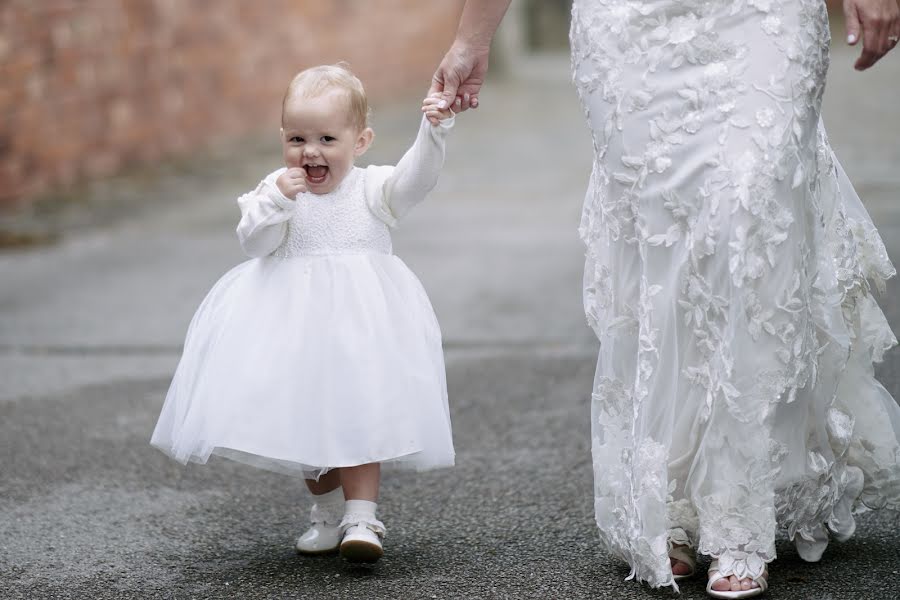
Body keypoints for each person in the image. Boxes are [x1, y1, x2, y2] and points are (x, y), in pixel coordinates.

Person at [429, 0, 900, 597]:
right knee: (662, 254)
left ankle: (738, 516)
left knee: (748, 223)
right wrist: (472, 38)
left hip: (760, 19)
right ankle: (672, 500)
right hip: (628, 31)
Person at [151, 64, 457, 564]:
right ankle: (325, 514)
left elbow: (416, 180)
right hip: (295, 330)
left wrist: (434, 130)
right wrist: (275, 202)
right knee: (307, 420)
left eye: (326, 138)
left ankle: (362, 516)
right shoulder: (277, 189)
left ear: (360, 142)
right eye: (297, 138)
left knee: (360, 412)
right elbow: (255, 244)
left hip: (361, 329)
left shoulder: (373, 189)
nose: (309, 151)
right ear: (282, 139)